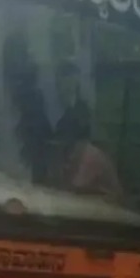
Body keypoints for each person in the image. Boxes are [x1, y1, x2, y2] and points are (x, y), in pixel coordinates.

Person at [52, 61, 124, 202]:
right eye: (60, 85)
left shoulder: (90, 156)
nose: (63, 89)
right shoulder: (62, 119)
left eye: (68, 83)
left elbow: (72, 191)